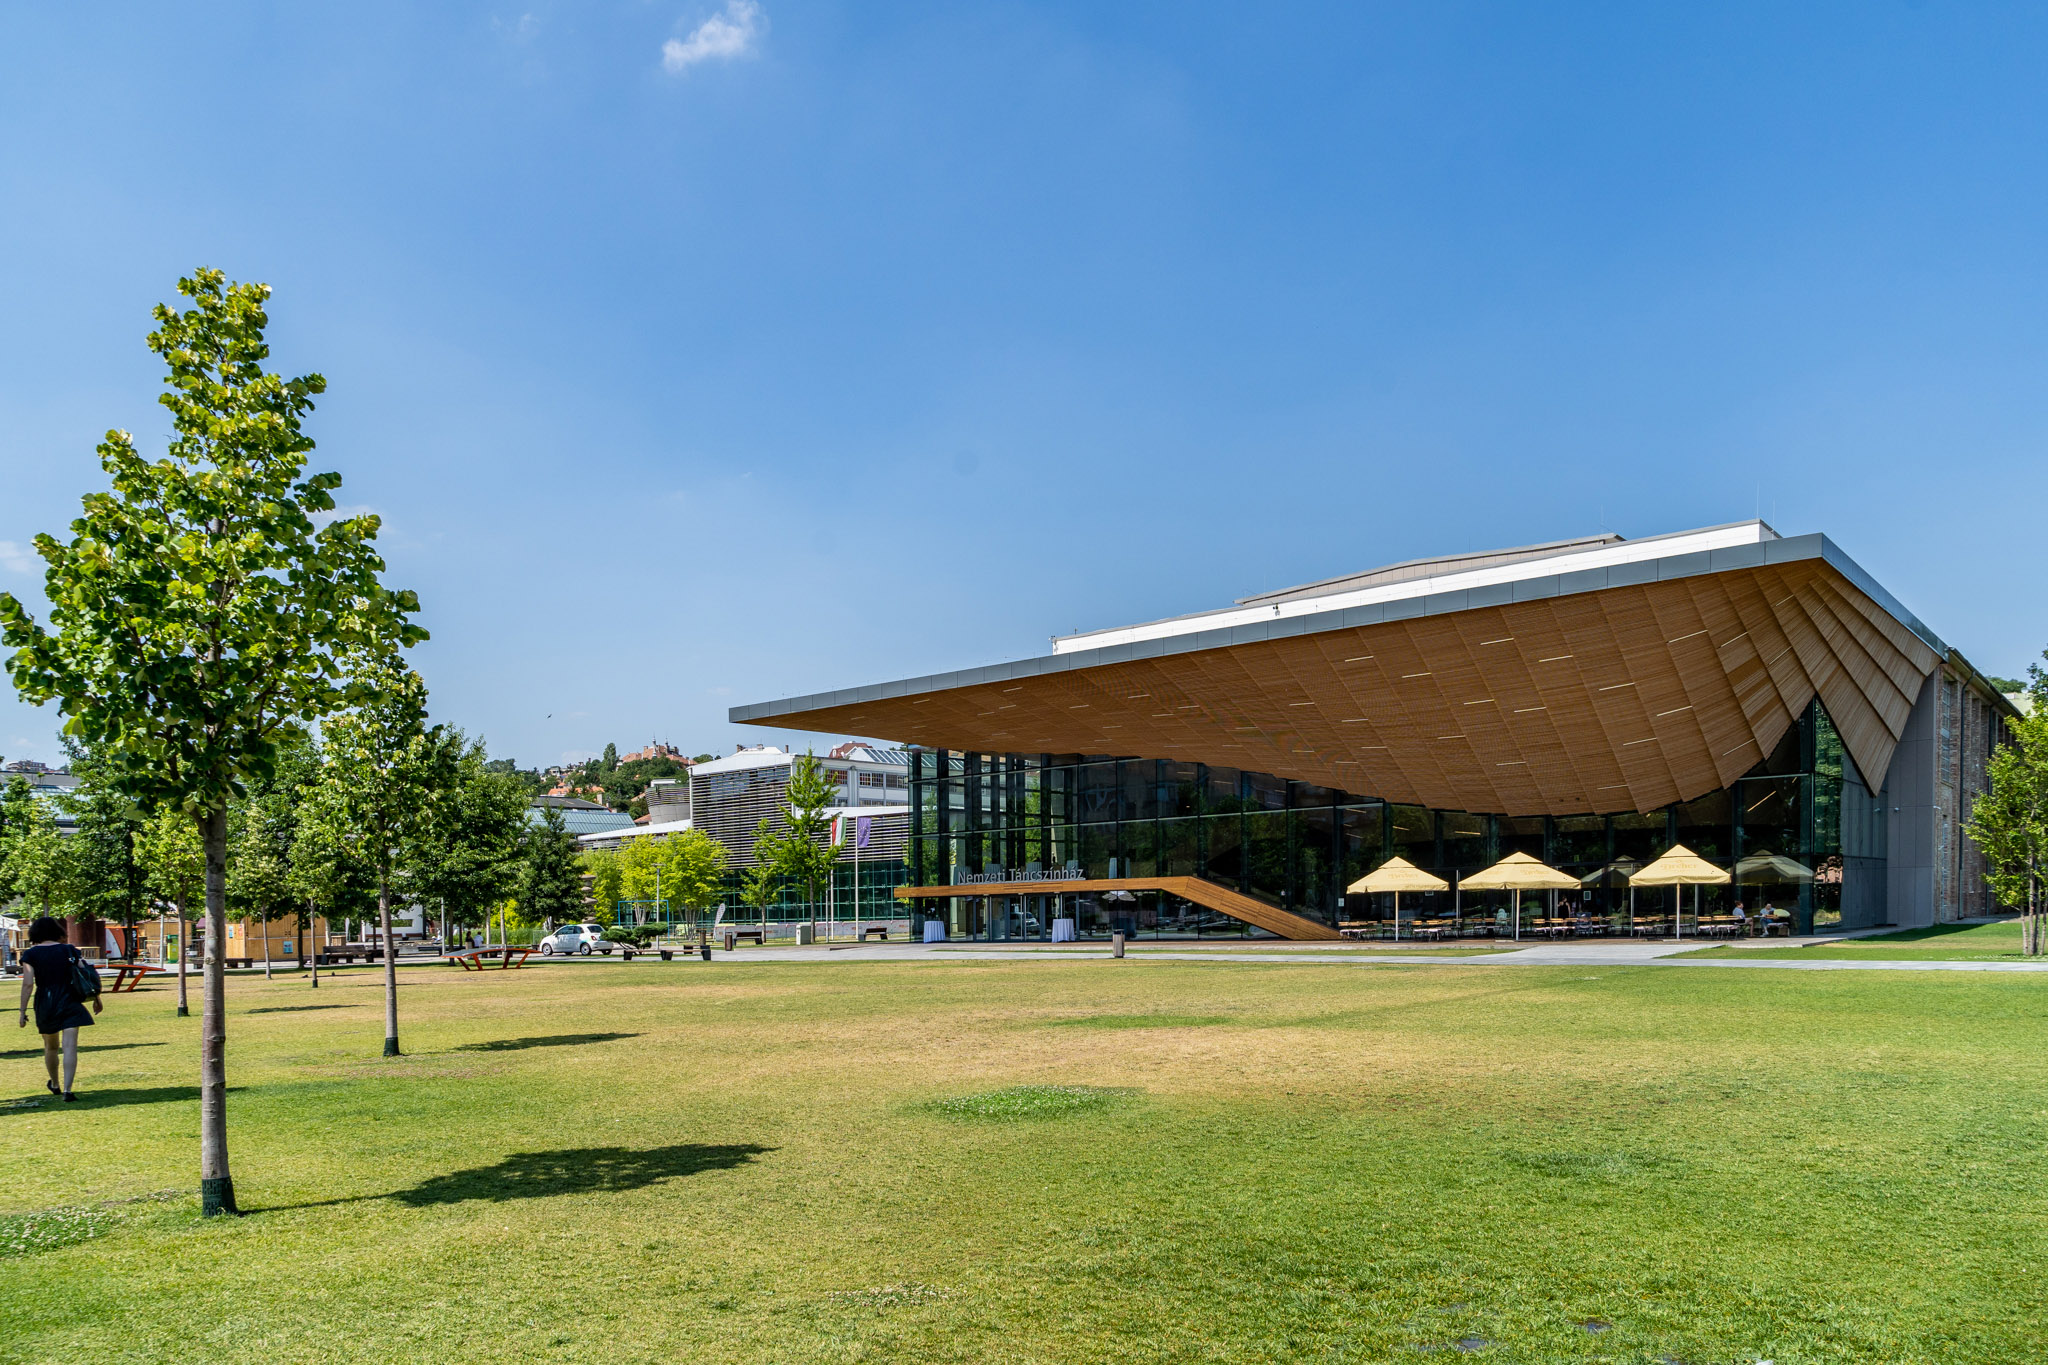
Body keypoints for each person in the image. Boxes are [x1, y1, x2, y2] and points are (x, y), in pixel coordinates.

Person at [16, 915, 102, 1101]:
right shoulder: (69, 950)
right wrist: (96, 997)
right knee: (70, 1047)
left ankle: (55, 1084)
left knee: (51, 1047)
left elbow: (28, 984)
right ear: (57, 931)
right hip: (69, 999)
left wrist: (22, 1011)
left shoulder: (31, 954)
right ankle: (68, 1090)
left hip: (46, 1002)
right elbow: (86, 974)